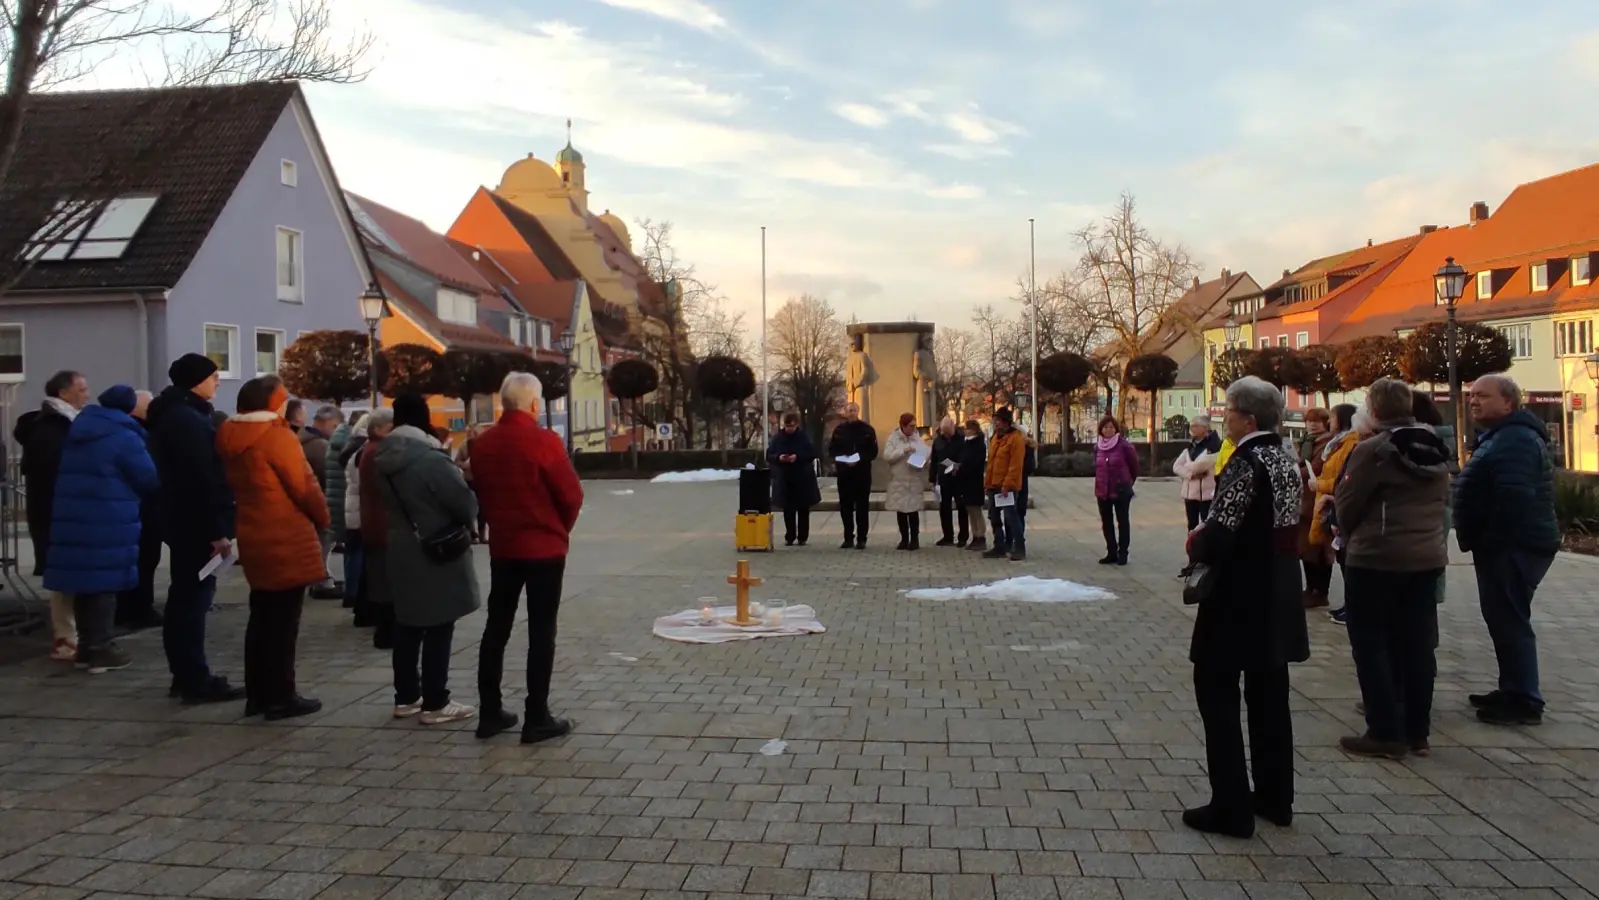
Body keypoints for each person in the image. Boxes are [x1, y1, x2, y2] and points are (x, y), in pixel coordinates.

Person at [1182, 376, 1308, 839]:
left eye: (1229, 411)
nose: (1224, 418)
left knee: (1216, 690)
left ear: (1248, 418)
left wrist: (1196, 541)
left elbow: (1221, 528)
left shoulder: (1246, 461)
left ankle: (1230, 806)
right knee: (1270, 694)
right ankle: (1276, 796)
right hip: (1278, 584)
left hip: (1239, 592)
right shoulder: (1286, 457)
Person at [1331, 378, 1449, 759]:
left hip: (1377, 557)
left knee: (1371, 643)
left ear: (1375, 409)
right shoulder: (1435, 445)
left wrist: (1347, 534)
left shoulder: (1374, 450)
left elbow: (1348, 502)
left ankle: (1384, 730)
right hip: (1426, 556)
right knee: (1416, 643)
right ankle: (1418, 731)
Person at [470, 373, 584, 743]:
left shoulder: (482, 444)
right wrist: (557, 528)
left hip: (504, 548)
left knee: (496, 629)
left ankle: (490, 713)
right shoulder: (544, 442)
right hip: (543, 550)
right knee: (541, 633)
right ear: (535, 404)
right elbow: (571, 495)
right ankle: (537, 716)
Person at [217, 376, 328, 720]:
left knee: (262, 616)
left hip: (253, 531)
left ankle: (258, 694)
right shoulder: (276, 436)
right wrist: (323, 516)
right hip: (285, 533)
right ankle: (281, 696)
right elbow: (303, 484)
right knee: (284, 621)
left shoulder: (229, 435)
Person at [1453, 373, 1560, 726]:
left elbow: (1513, 497)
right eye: (1471, 396)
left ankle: (1524, 699)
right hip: (1508, 544)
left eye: (1483, 396)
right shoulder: (1501, 436)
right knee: (1504, 619)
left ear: (1509, 403)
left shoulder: (1514, 440)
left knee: (1510, 620)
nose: (1474, 401)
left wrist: (1489, 540)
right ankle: (1513, 687)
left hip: (1515, 545)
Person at [374, 393, 480, 725]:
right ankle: (436, 701)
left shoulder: (380, 458)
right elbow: (463, 503)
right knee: (439, 622)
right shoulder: (430, 459)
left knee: (407, 623)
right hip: (435, 548)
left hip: (400, 547)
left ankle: (406, 697)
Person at [42, 385, 159, 674]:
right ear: (130, 408)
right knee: (103, 586)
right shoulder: (123, 435)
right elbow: (147, 477)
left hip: (77, 517)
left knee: (85, 585)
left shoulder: (81, 429)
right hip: (109, 517)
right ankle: (100, 648)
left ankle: (85, 647)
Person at [147, 353, 242, 705]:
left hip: (181, 520)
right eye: (213, 376)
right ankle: (193, 678)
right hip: (194, 524)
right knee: (191, 603)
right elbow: (201, 479)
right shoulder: (186, 420)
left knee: (184, 600)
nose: (218, 381)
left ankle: (186, 674)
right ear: (195, 380)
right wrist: (217, 529)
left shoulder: (175, 414)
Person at [15, 370, 89, 660]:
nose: (87, 393)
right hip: (56, 514)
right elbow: (53, 475)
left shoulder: (62, 424)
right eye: (81, 389)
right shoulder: (52, 429)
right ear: (63, 393)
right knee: (64, 577)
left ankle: (72, 636)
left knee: (69, 575)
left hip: (61, 512)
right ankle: (65, 639)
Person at [115, 391, 164, 632]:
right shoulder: (137, 434)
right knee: (144, 558)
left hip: (135, 508)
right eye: (149, 405)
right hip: (142, 507)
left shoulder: (132, 431)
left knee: (142, 559)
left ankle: (131, 607)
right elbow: (146, 473)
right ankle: (138, 608)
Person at [355, 411, 396, 646]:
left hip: (374, 520)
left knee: (380, 578)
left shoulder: (370, 449)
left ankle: (384, 628)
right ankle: (386, 633)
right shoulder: (378, 451)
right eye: (391, 428)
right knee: (385, 581)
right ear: (379, 429)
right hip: (382, 522)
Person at [1297, 409, 1337, 609]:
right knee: (1305, 548)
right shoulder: (1305, 441)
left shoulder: (1327, 443)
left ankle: (1321, 591)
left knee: (1319, 548)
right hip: (1303, 500)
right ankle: (1310, 588)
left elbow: (1317, 466)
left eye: (1317, 422)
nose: (1312, 425)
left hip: (1318, 498)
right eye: (1309, 421)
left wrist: (1294, 472)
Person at [301, 405, 341, 599]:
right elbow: (326, 477)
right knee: (323, 542)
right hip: (318, 501)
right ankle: (321, 580)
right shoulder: (320, 446)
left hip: (306, 503)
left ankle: (319, 578)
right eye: (335, 427)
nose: (336, 432)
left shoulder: (304, 440)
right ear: (325, 423)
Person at [827, 402, 878, 549]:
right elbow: (832, 450)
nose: (851, 413)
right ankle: (848, 537)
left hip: (861, 473)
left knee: (862, 506)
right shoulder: (839, 430)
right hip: (844, 474)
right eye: (849, 410)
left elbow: (873, 452)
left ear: (858, 411)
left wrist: (859, 458)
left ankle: (862, 538)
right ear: (845, 412)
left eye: (854, 410)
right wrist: (842, 459)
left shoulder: (867, 430)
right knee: (845, 506)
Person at [767, 413, 821, 546]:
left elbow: (812, 453)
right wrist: (779, 458)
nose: (789, 429)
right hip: (785, 478)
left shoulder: (804, 437)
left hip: (803, 477)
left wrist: (798, 457)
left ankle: (803, 536)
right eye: (786, 426)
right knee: (788, 509)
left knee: (803, 509)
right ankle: (789, 535)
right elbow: (769, 454)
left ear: (796, 425)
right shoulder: (778, 438)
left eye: (791, 426)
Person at [1094, 416, 1139, 566]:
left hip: (1121, 489)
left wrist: (1127, 482)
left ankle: (1123, 553)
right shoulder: (1097, 447)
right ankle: (1111, 551)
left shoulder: (1124, 446)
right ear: (1101, 430)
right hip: (1102, 490)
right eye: (1105, 427)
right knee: (1106, 522)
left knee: (1123, 522)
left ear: (1116, 429)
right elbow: (1096, 466)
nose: (1108, 430)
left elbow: (1134, 467)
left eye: (1111, 427)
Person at [983, 408, 1027, 561]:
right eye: (995, 421)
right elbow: (991, 463)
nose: (996, 423)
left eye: (999, 421)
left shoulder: (1016, 439)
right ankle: (999, 546)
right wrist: (987, 482)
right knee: (994, 517)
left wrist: (1007, 484)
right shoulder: (995, 438)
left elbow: (1015, 466)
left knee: (1011, 517)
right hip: (993, 485)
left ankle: (1019, 547)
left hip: (1007, 486)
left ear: (1007, 423)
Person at [325, 411, 359, 607]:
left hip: (338, 501)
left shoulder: (334, 443)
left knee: (350, 548)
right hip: (351, 504)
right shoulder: (354, 447)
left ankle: (349, 590)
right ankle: (353, 592)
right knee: (355, 549)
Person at [882, 413, 928, 550]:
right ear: (903, 425)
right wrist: (903, 450)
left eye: (915, 426)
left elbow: (924, 455)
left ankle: (915, 539)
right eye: (911, 426)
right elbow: (887, 456)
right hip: (899, 480)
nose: (913, 429)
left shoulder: (917, 439)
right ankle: (904, 539)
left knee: (913, 511)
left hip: (913, 479)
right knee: (901, 511)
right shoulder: (893, 438)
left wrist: (923, 460)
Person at [1172, 415, 1221, 530]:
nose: (1192, 428)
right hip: (1190, 494)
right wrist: (1190, 475)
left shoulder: (1214, 446)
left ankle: (1206, 547)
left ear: (1205, 428)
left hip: (1207, 495)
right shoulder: (1190, 447)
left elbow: (1201, 465)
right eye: (1191, 426)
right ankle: (1192, 547)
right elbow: (1176, 466)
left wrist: (1187, 466)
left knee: (1206, 526)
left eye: (1195, 426)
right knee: (1191, 525)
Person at [929, 417, 968, 546]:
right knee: (944, 507)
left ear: (953, 427)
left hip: (959, 478)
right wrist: (932, 479)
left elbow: (966, 456)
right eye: (943, 431)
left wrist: (959, 465)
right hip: (944, 478)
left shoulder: (962, 439)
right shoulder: (938, 441)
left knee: (961, 506)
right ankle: (947, 536)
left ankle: (963, 536)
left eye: (947, 431)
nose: (945, 434)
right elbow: (934, 460)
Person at [957, 420, 989, 552]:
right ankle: (975, 536)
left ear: (974, 430)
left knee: (976, 510)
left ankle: (980, 536)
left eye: (967, 429)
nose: (965, 431)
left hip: (974, 481)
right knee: (970, 510)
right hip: (966, 481)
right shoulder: (967, 443)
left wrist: (961, 468)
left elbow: (974, 463)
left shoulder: (978, 444)